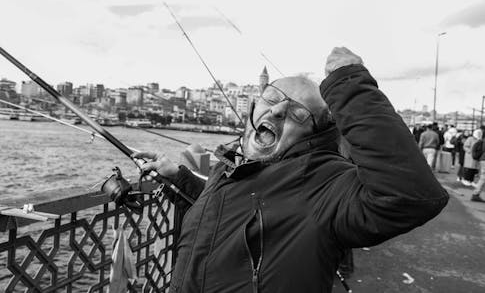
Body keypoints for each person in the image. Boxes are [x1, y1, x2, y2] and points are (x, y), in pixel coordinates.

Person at [135, 47, 449, 293]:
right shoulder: (230, 165)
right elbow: (228, 208)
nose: (278, 109)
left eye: (297, 112)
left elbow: (411, 196)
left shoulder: (325, 184)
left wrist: (351, 84)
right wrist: (179, 178)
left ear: (314, 133)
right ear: (253, 109)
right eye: (271, 98)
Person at [471, 129, 485, 202]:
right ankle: (476, 194)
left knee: (483, 177)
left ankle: (476, 194)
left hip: (482, 160)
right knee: (483, 178)